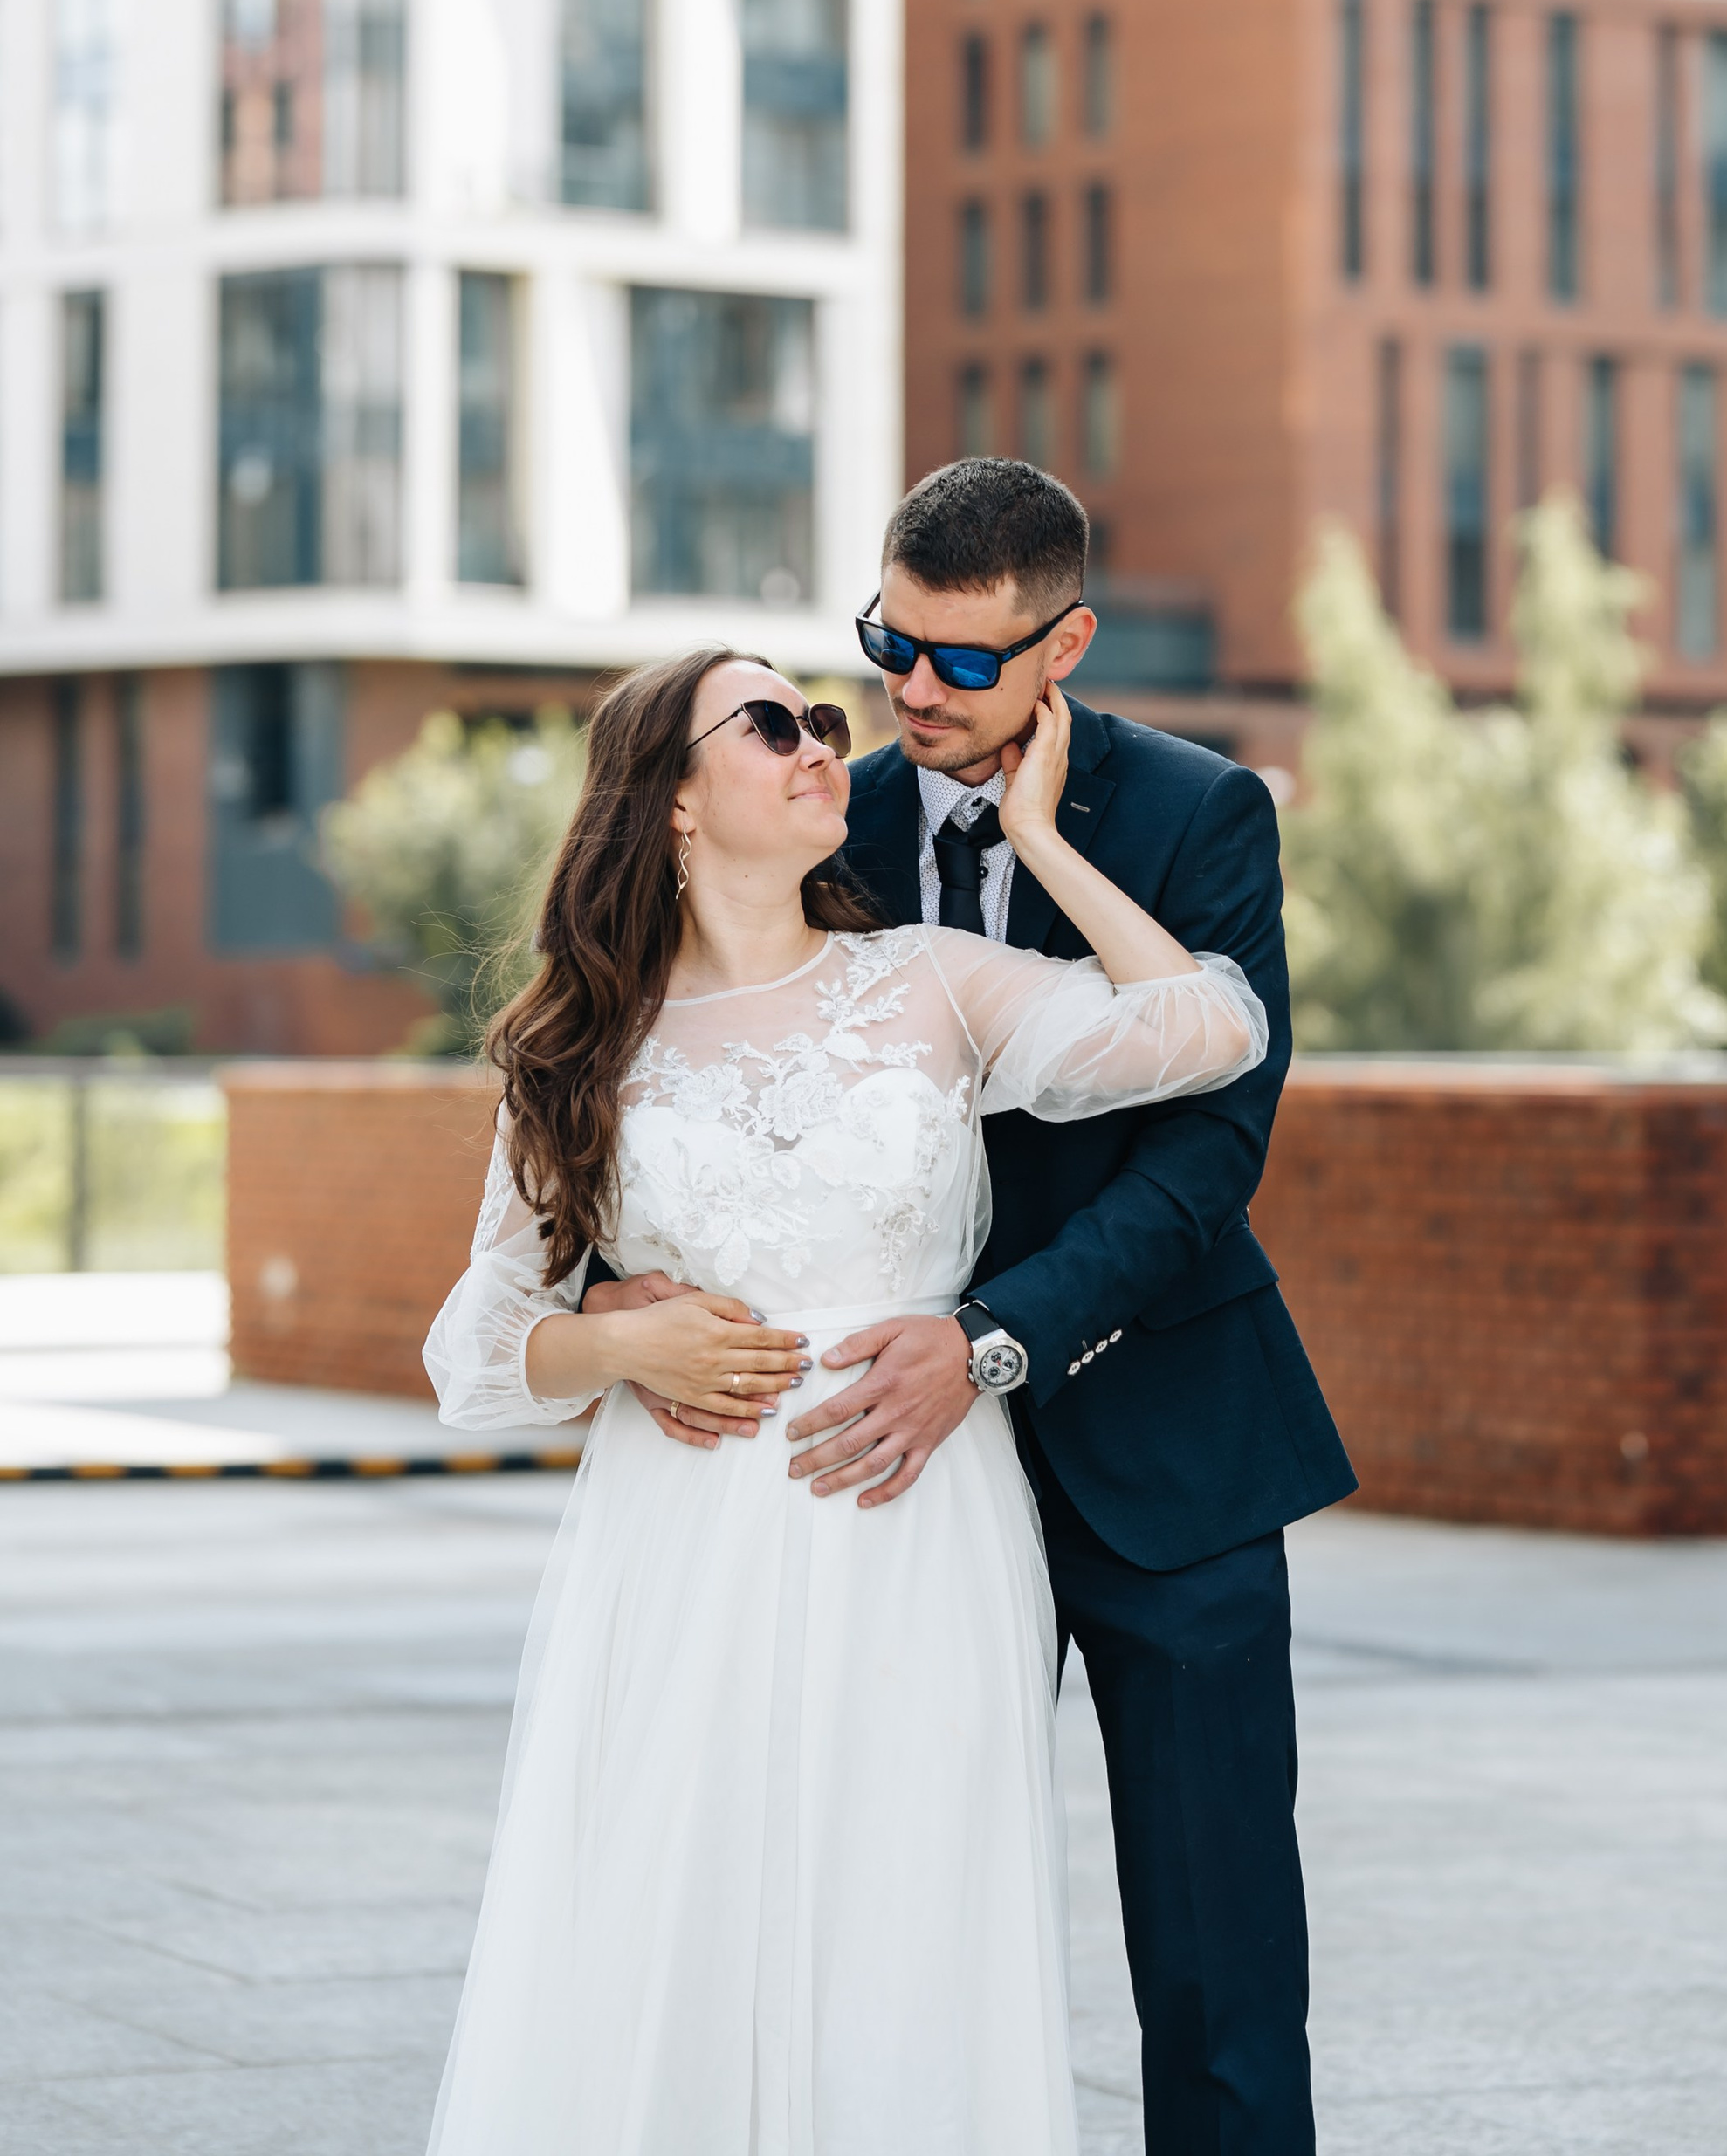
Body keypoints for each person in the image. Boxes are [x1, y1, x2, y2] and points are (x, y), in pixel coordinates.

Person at [589, 460, 1356, 2153]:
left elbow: (1206, 1152)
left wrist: (990, 1337)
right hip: (876, 1487)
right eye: (885, 646)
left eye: (958, 660)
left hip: (1165, 1443)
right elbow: (649, 1061)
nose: (909, 694)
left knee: (1220, 1947)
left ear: (1063, 640)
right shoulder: (807, 809)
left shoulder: (1196, 813)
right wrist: (615, 1281)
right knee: (875, 1921)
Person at [422, 640, 1269, 2156]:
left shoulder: (932, 985)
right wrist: (624, 1346)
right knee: (685, 1919)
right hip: (684, 1546)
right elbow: (476, 1353)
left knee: (906, 1921)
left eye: (826, 719)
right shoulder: (578, 1048)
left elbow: (1215, 1027)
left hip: (918, 1527)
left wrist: (1041, 843)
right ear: (672, 801)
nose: (828, 742)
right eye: (775, 724)